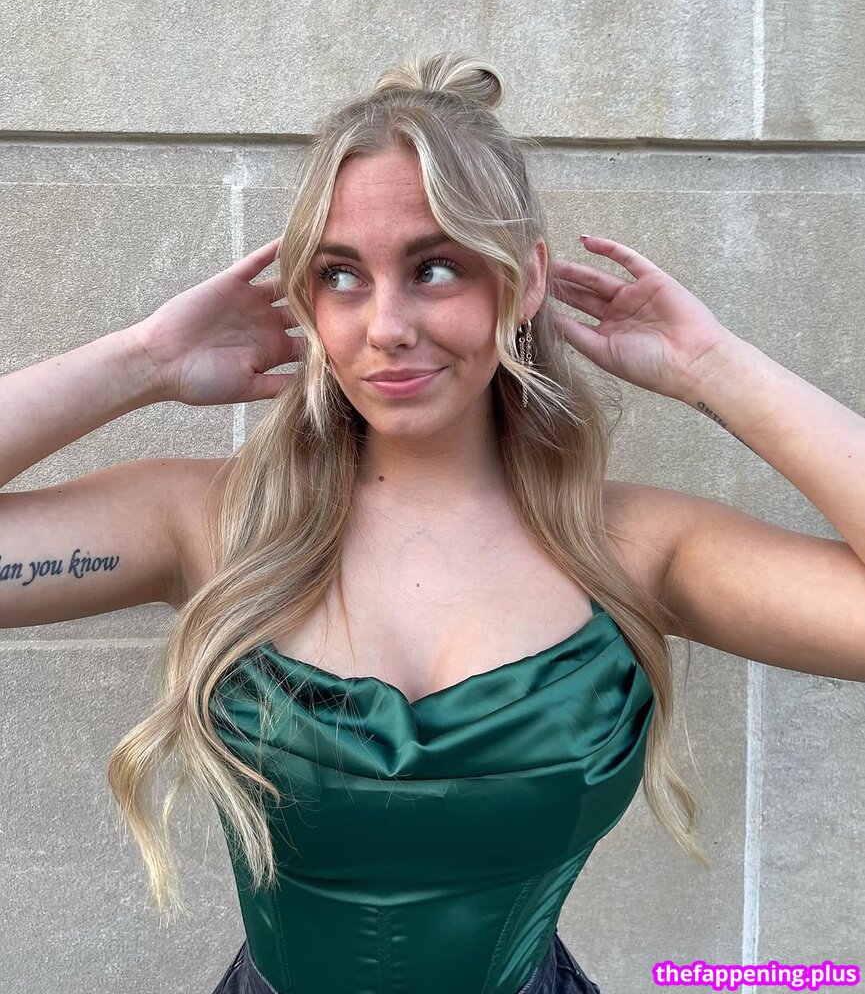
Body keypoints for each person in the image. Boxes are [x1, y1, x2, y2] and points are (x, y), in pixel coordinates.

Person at [2, 51, 863, 994]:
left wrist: (712, 369)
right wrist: (142, 361)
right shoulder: (210, 521)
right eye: (340, 276)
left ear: (523, 280)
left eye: (435, 267)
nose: (385, 327)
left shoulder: (636, 550)